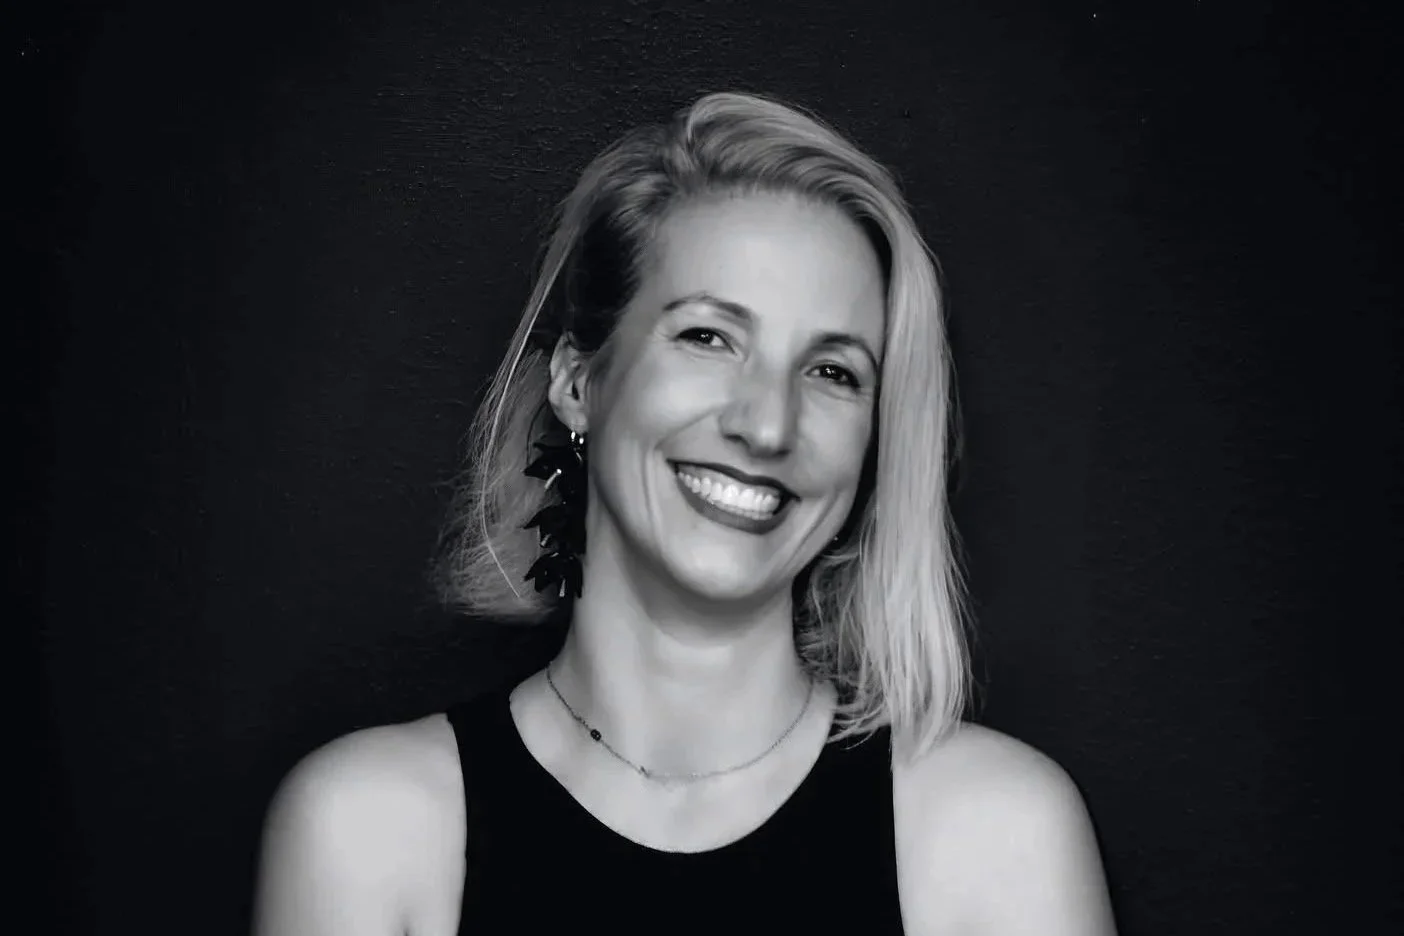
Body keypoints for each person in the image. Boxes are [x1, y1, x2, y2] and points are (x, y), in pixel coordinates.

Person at [251, 91, 1118, 935]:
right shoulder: (370, 832)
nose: (768, 424)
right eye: (708, 337)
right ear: (578, 381)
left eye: (833, 372)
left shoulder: (996, 838)